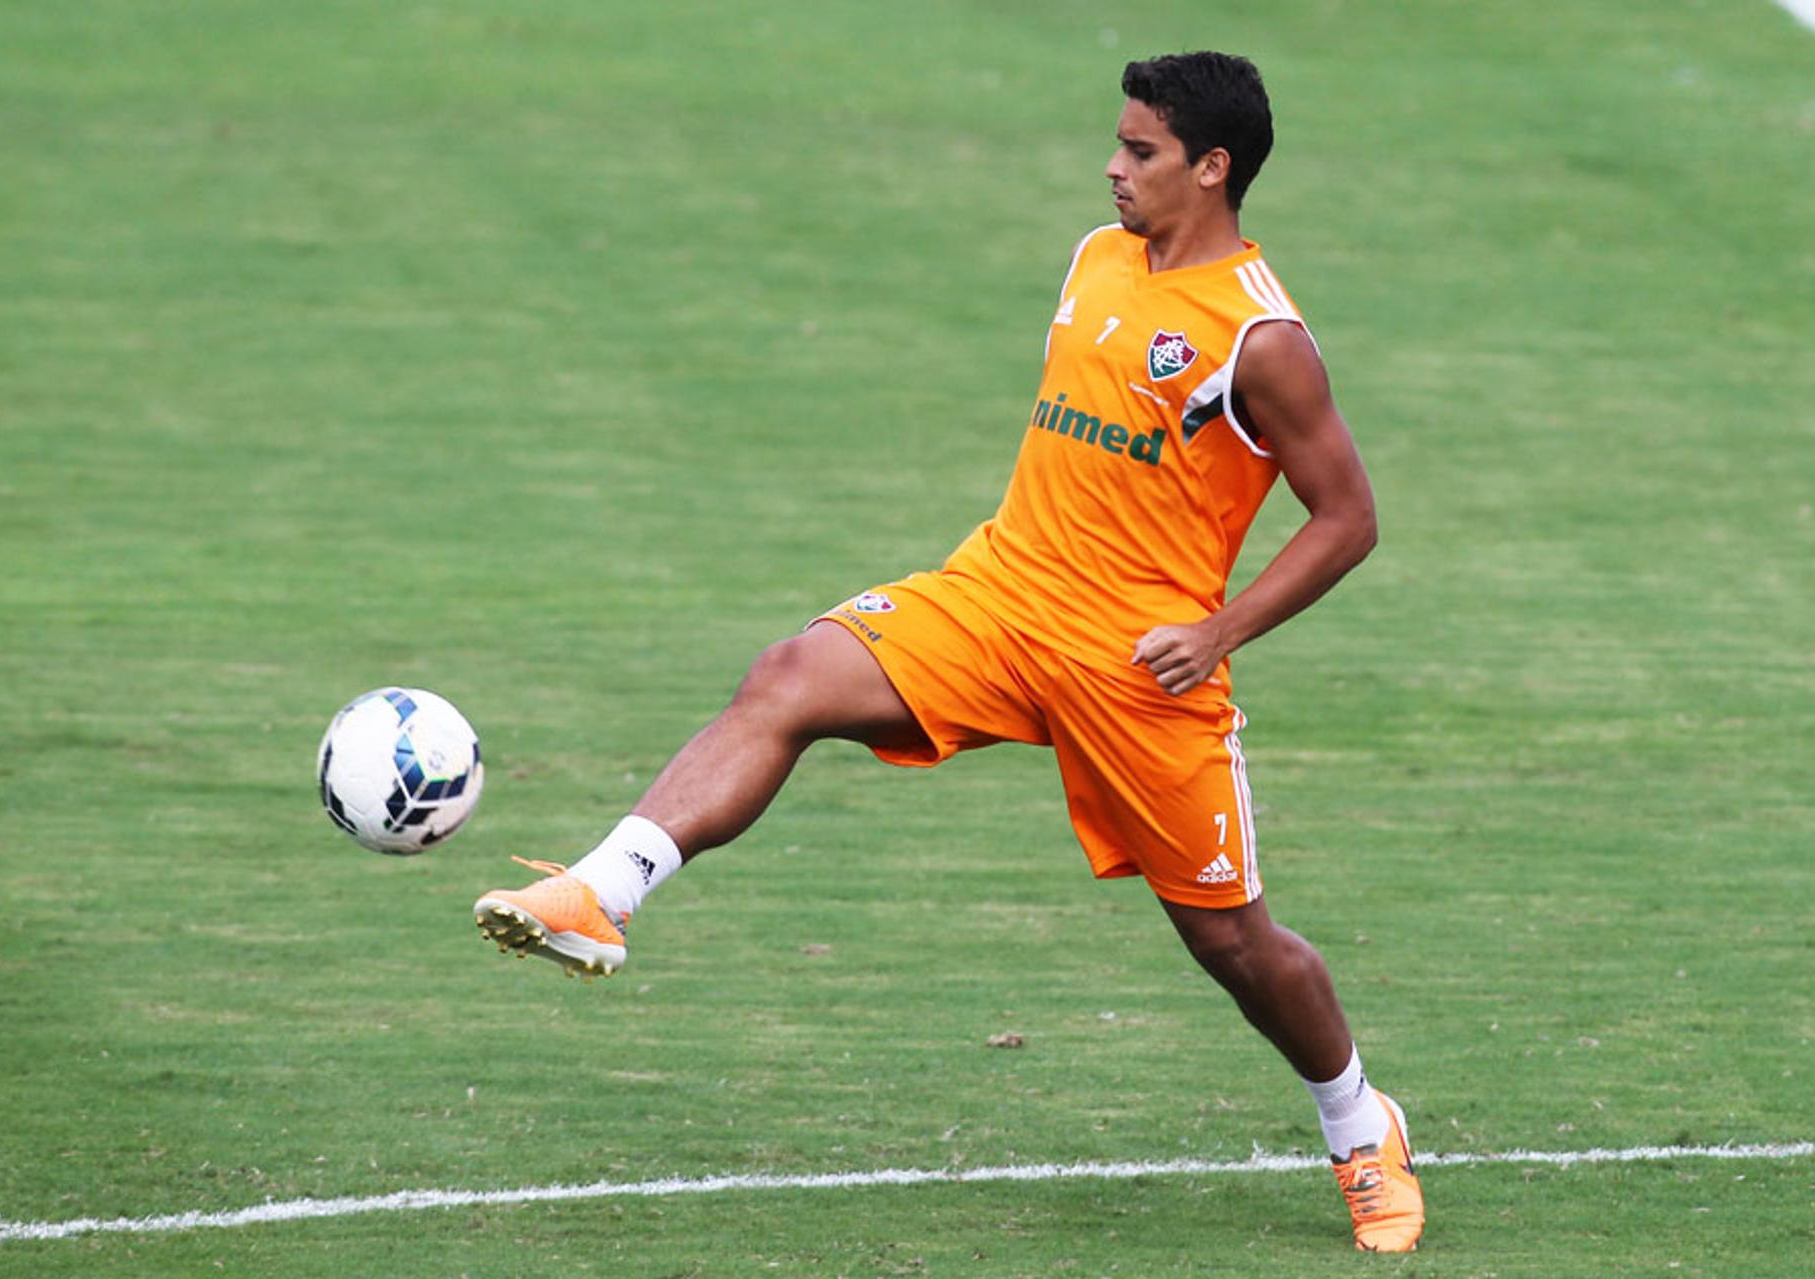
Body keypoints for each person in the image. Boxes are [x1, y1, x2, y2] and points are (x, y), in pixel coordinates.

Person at [474, 51, 1425, 1253]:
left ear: (1213, 167)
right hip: (998, 593)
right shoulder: (1097, 258)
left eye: (1140, 152)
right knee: (789, 676)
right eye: (1119, 145)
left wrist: (1220, 628)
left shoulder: (1261, 339)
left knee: (1232, 942)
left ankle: (1359, 1124)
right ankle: (601, 893)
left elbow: (1350, 517)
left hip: (1137, 665)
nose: (1114, 167)